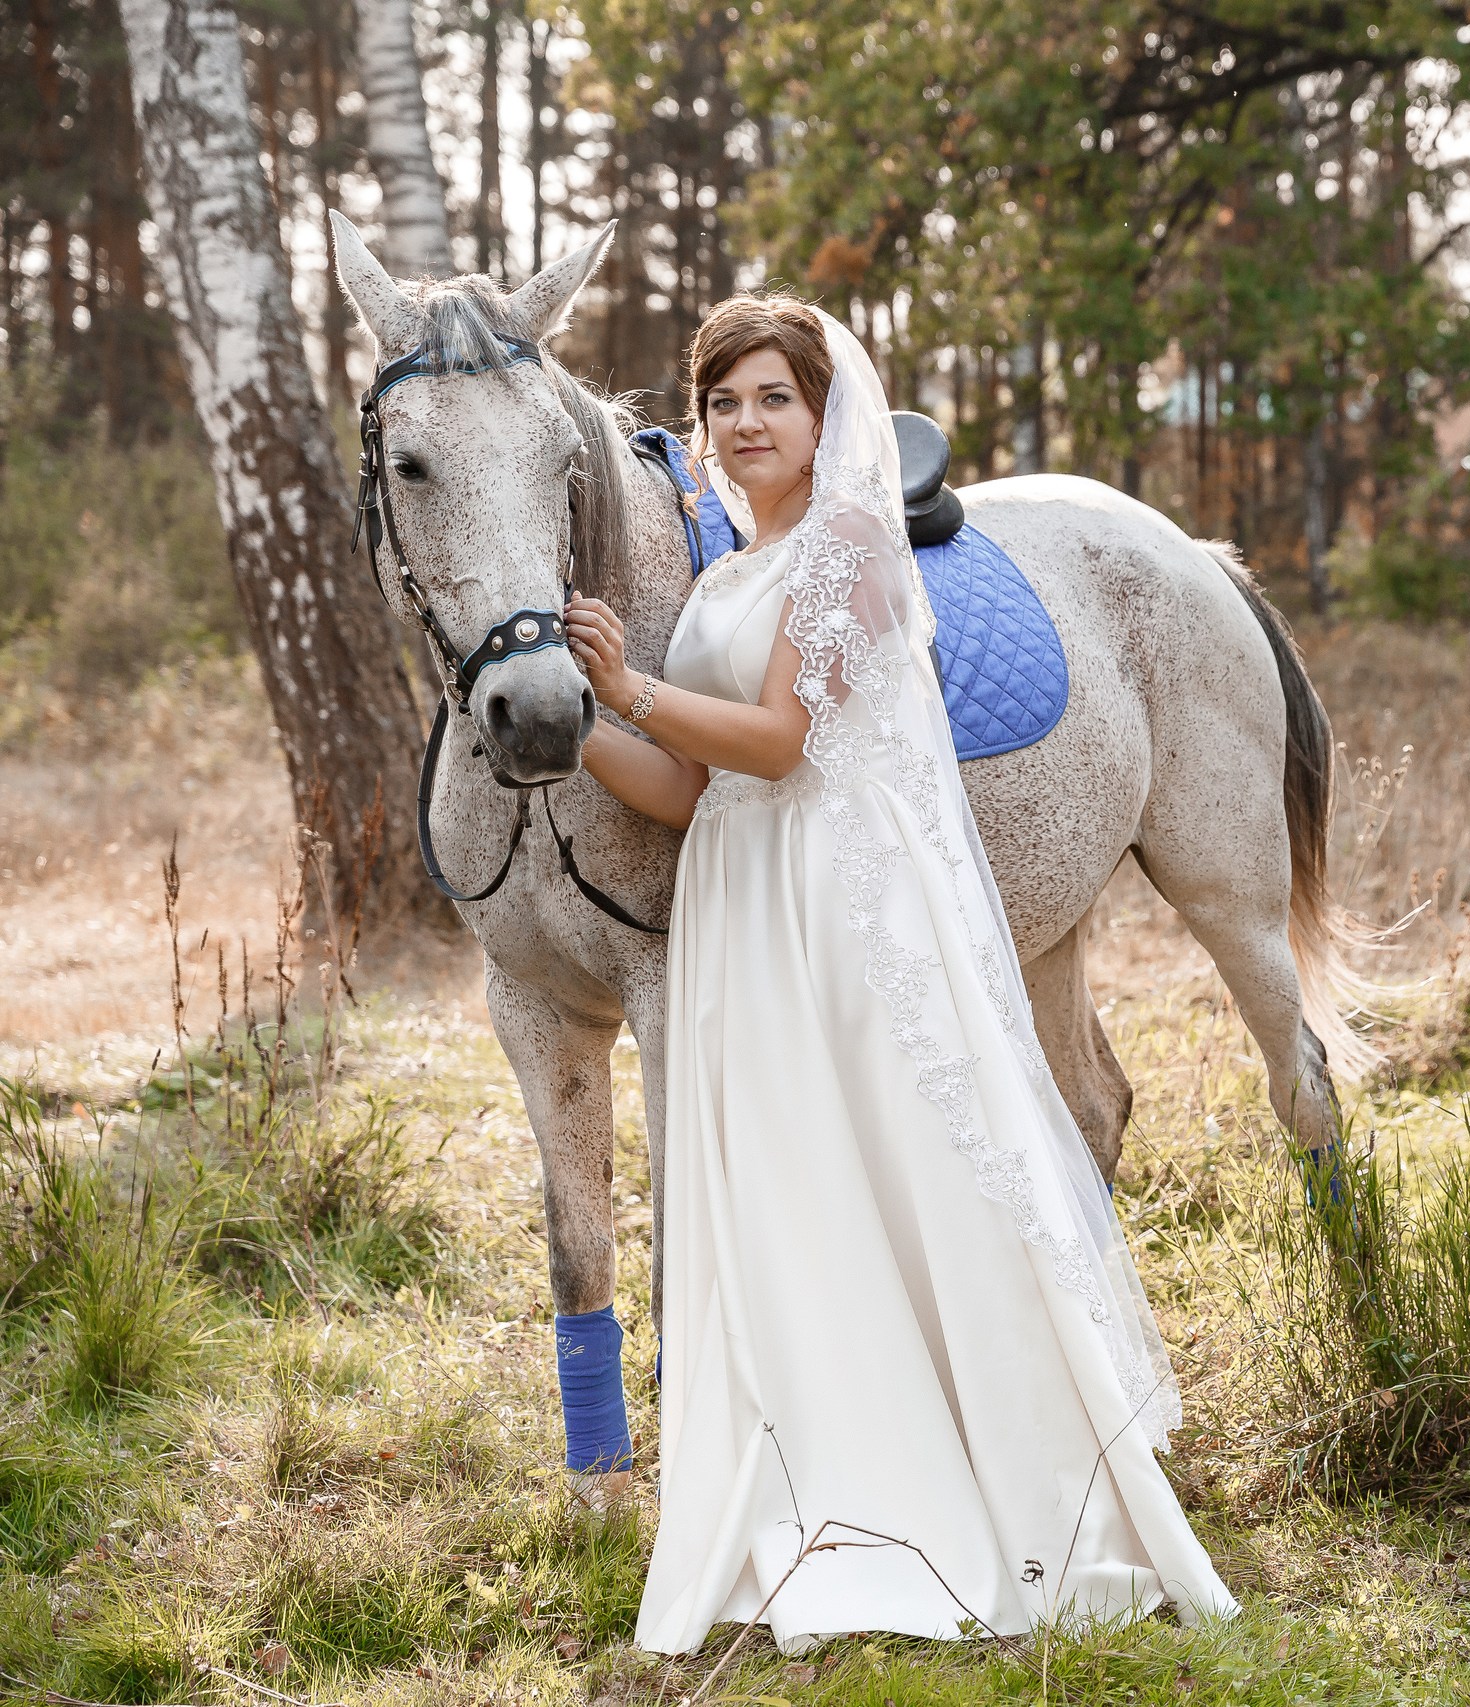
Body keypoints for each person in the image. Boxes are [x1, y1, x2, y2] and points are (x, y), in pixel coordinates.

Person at [562, 294, 1236, 1654]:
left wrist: (628, 687)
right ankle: (818, 1477)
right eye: (725, 404)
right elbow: (693, 793)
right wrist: (568, 724)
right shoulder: (727, 571)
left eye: (774, 399)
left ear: (823, 416)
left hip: (838, 905)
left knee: (887, 1178)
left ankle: (970, 1486)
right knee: (793, 1198)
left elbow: (777, 745)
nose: (748, 424)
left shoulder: (854, 548)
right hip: (743, 908)